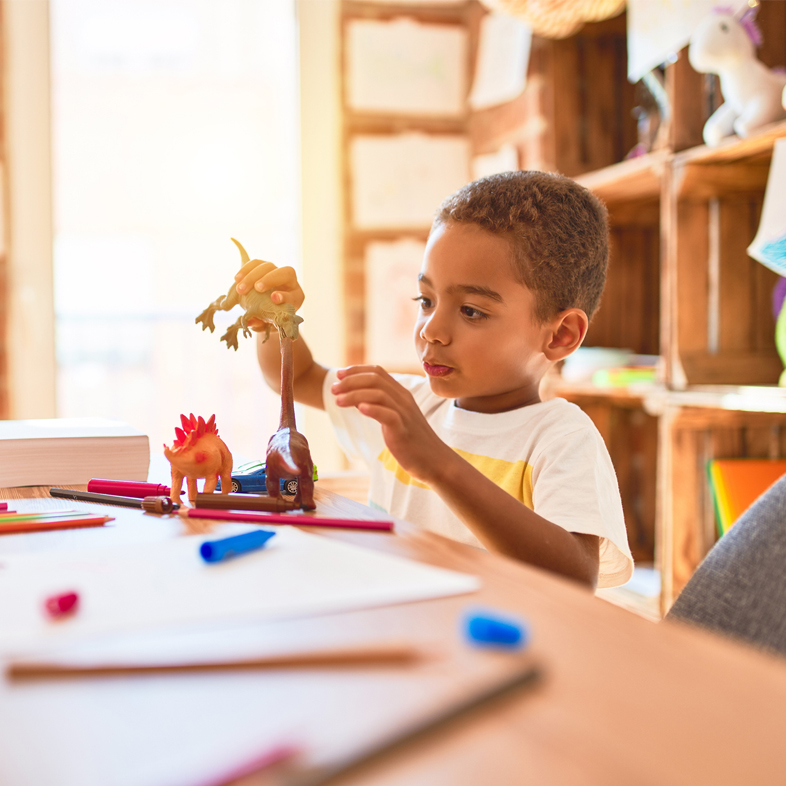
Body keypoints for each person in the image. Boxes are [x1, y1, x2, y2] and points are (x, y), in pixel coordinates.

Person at [243, 171, 633, 590]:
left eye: (471, 311)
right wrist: (275, 319)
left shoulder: (561, 439)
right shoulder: (405, 405)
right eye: (425, 300)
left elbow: (574, 579)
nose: (431, 329)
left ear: (560, 335)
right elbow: (298, 377)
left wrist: (438, 463)